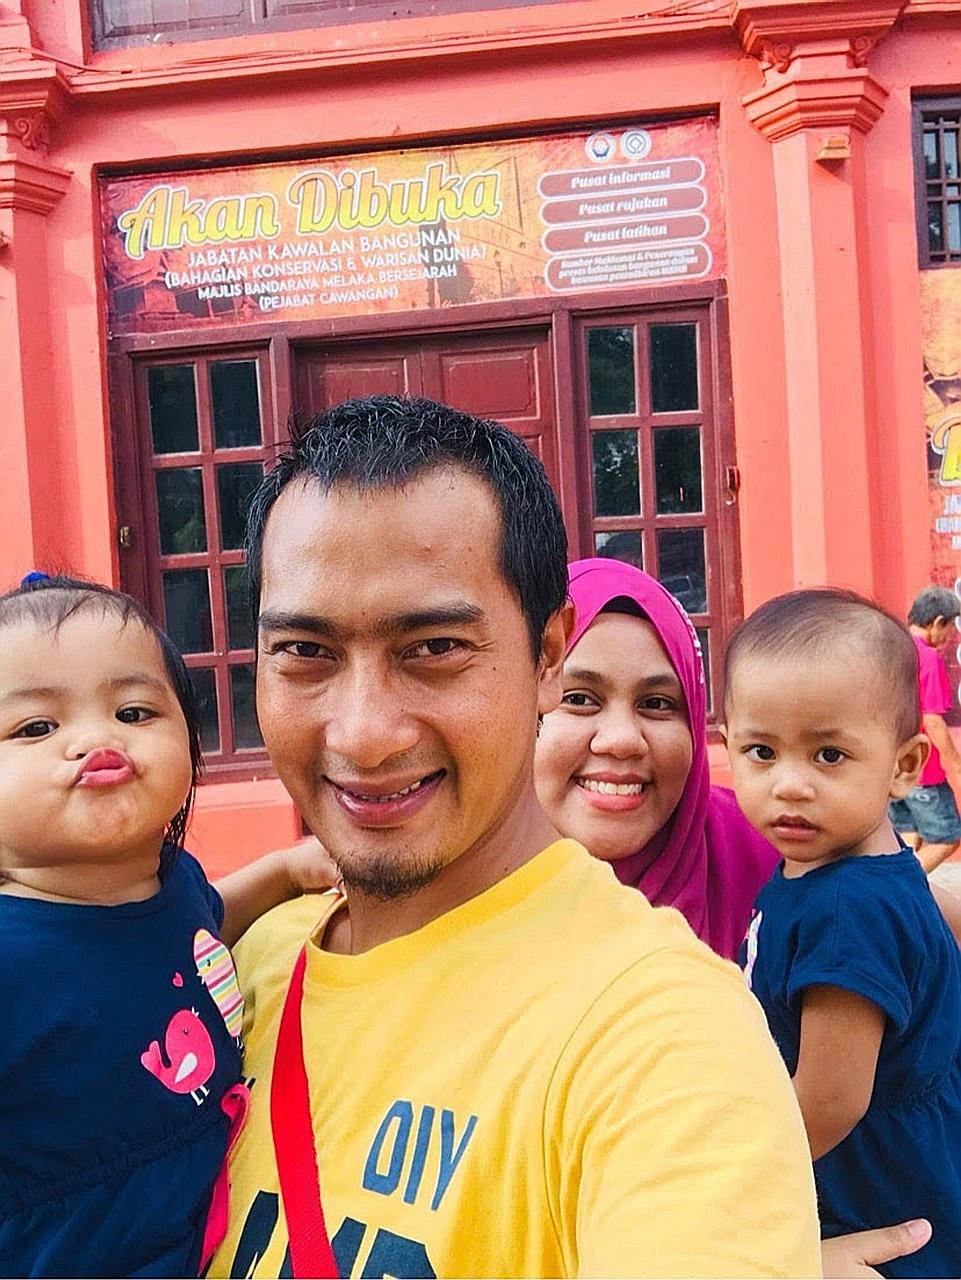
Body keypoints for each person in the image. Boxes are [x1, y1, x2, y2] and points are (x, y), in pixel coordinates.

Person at [209, 394, 820, 1278]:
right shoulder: (242, 973)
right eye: (306, 652)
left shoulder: (658, 1038)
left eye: (434, 648)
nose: (362, 734)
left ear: (546, 655)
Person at [0, 574, 328, 1278]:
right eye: (36, 727)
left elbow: (207, 927)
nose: (96, 739)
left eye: (133, 711)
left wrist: (284, 871)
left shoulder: (175, 884)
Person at [724, 588, 961, 1279]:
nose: (789, 784)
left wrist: (722, 1190)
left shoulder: (845, 911)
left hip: (872, 1212)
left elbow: (829, 1102)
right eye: (761, 752)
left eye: (828, 755)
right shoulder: (851, 867)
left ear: (904, 766)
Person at [534, 557, 776, 962]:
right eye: (579, 698)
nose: (622, 740)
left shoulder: (781, 859)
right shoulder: (445, 892)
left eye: (657, 703)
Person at [888, 584, 961, 872]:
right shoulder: (928, 658)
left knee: (907, 835)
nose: (949, 635)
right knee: (947, 837)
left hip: (893, 766)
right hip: (924, 771)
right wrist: (955, 765)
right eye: (950, 627)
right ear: (938, 622)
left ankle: (898, 884)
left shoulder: (894, 649)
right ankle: (901, 885)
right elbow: (932, 719)